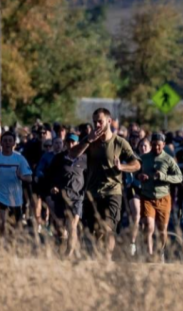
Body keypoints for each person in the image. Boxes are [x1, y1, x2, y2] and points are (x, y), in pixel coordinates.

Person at [69, 108, 140, 260]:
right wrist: (88, 140)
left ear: (109, 121)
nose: (97, 125)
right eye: (94, 122)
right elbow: (72, 154)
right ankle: (98, 257)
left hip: (113, 192)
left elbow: (136, 164)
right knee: (94, 231)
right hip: (92, 193)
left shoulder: (119, 142)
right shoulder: (90, 141)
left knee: (108, 229)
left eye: (100, 121)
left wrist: (122, 167)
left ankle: (106, 261)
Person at [138, 133, 183, 261]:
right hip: (147, 196)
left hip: (163, 197)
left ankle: (161, 252)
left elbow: (179, 177)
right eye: (153, 145)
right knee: (148, 225)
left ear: (163, 145)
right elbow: (136, 172)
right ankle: (149, 254)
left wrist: (164, 177)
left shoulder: (168, 159)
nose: (156, 148)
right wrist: (139, 176)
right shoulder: (144, 158)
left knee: (162, 229)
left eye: (159, 145)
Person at [0, 131, 32, 234]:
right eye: (5, 141)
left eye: (10, 141)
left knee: (16, 228)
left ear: (14, 144)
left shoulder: (20, 159)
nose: (7, 143)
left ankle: (9, 246)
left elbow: (30, 178)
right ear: (1, 143)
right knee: (1, 224)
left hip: (15, 198)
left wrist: (21, 176)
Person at [47, 133, 86, 257]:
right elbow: (50, 174)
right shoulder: (59, 158)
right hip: (61, 196)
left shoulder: (84, 159)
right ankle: (61, 246)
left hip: (77, 197)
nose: (71, 144)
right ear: (65, 143)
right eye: (68, 142)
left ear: (78, 143)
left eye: (73, 142)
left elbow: (90, 176)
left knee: (72, 225)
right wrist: (53, 186)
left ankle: (69, 254)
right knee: (60, 228)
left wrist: (85, 192)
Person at [127, 137, 151, 256]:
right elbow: (129, 176)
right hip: (134, 189)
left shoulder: (153, 160)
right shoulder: (135, 159)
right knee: (136, 215)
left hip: (148, 192)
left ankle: (147, 247)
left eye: (145, 146)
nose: (143, 148)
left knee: (147, 221)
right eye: (141, 146)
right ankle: (132, 243)